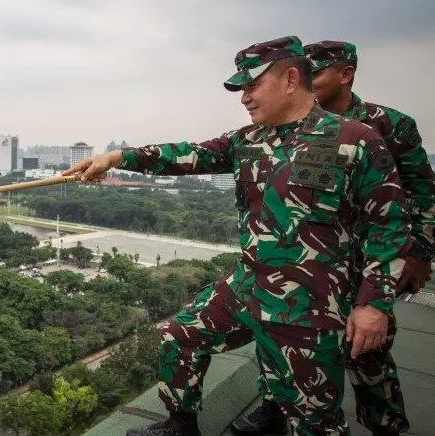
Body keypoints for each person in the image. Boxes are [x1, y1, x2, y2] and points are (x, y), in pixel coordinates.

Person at [62, 35, 413, 436]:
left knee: (313, 419)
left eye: (251, 85)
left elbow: (389, 226)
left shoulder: (355, 140)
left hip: (309, 304)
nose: (244, 97)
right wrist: (117, 157)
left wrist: (374, 305)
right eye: (241, 89)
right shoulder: (247, 141)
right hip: (248, 285)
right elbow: (188, 154)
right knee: (181, 336)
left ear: (290, 78)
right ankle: (181, 425)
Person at [230, 40, 435, 436]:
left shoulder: (385, 124)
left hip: (369, 259)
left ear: (345, 74)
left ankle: (384, 423)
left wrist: (418, 254)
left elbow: (422, 194)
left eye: (317, 71)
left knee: (367, 350)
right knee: (282, 336)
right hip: (316, 261)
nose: (308, 79)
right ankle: (276, 405)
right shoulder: (289, 126)